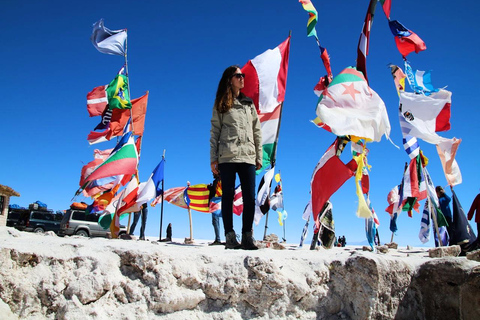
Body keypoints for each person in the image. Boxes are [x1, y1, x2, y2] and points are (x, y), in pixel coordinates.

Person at [210, 65, 262, 250]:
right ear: (229, 79)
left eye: (243, 75)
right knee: (228, 195)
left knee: (249, 197)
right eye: (238, 75)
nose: (242, 78)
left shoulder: (249, 104)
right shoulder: (221, 103)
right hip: (227, 155)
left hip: (248, 155)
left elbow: (257, 130)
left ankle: (247, 237)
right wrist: (213, 158)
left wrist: (259, 155)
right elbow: (215, 131)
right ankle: (230, 237)